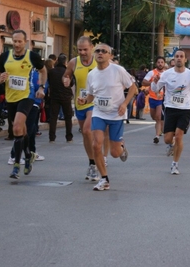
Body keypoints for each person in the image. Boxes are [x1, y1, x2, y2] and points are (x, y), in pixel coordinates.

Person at [77, 43, 136, 190]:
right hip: (99, 113)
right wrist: (84, 100)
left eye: (104, 51)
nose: (100, 53)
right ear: (94, 53)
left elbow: (133, 88)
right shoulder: (92, 75)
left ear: (110, 55)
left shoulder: (118, 70)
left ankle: (121, 146)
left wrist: (124, 104)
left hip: (116, 114)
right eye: (98, 51)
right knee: (96, 144)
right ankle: (104, 179)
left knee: (115, 153)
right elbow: (91, 95)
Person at [0, 29, 47, 179]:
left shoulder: (32, 56)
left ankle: (16, 164)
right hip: (11, 98)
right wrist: (0, 78)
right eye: (14, 41)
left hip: (27, 96)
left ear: (25, 42)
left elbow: (44, 71)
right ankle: (28, 155)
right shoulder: (5, 57)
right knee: (20, 130)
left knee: (17, 126)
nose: (17, 44)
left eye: (19, 41)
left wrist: (41, 87)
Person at [152, 49, 190, 174]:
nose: (179, 58)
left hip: (184, 109)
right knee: (167, 139)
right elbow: (156, 89)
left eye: (181, 56)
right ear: (174, 59)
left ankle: (175, 164)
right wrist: (154, 82)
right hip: (170, 109)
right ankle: (171, 143)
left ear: (185, 59)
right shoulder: (167, 74)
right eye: (177, 56)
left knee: (179, 136)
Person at [63, 36, 99, 181]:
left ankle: (97, 162)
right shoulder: (73, 63)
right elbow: (66, 76)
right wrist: (65, 80)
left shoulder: (99, 62)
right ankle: (92, 163)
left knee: (86, 130)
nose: (83, 52)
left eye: (85, 49)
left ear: (91, 47)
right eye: (80, 50)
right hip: (80, 104)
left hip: (95, 104)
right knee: (86, 135)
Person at [48, 54, 74, 143]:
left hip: (54, 96)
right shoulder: (68, 72)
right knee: (68, 117)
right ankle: (69, 137)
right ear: (65, 62)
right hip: (66, 96)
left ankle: (52, 137)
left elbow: (49, 82)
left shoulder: (51, 72)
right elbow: (71, 83)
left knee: (53, 117)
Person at [142, 56, 166, 144]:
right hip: (152, 98)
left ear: (164, 63)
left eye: (162, 62)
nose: (160, 64)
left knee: (159, 117)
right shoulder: (152, 73)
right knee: (154, 117)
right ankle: (159, 127)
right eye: (158, 62)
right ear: (156, 64)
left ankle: (157, 136)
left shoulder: (166, 74)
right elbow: (144, 82)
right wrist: (153, 83)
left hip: (161, 98)